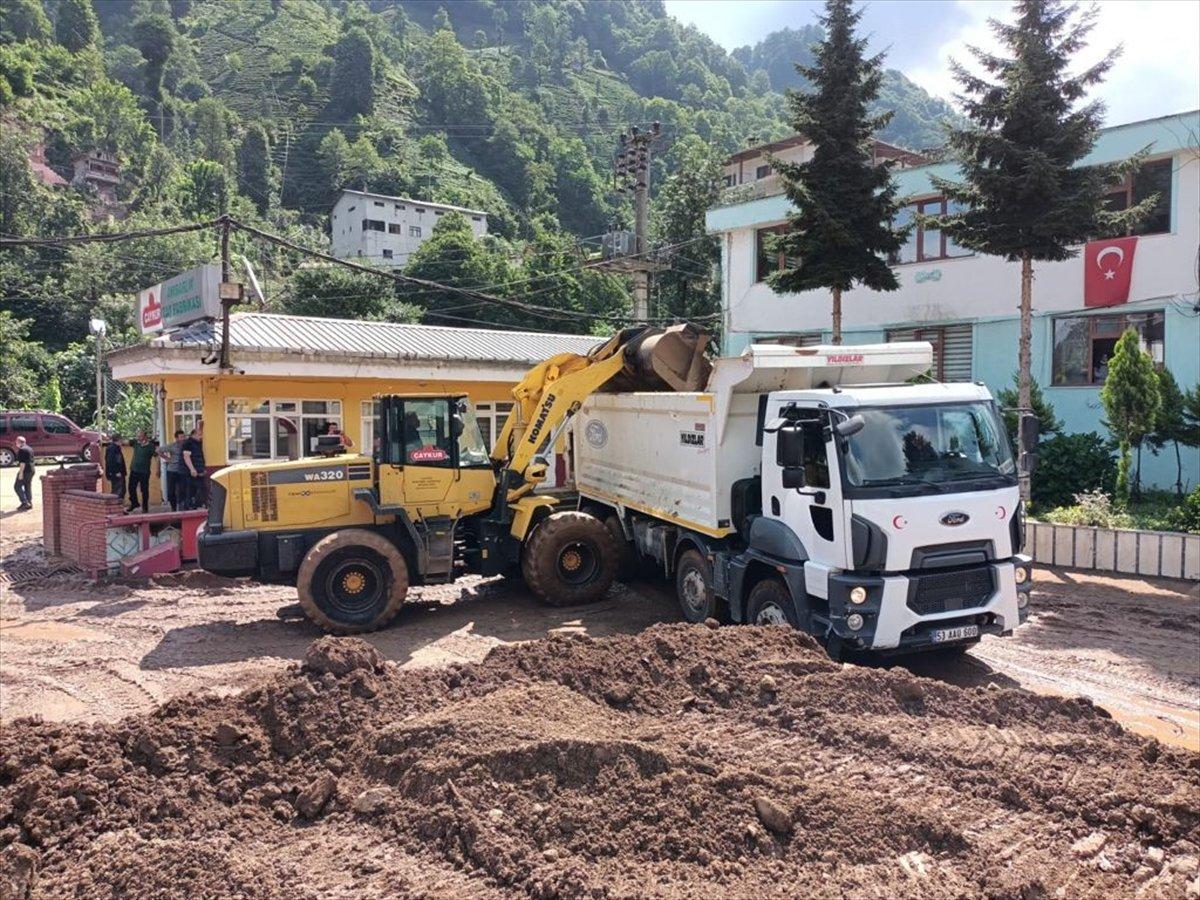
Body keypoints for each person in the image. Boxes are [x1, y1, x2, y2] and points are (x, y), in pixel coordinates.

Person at [127, 430, 156, 514]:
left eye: (140, 436)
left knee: (144, 490)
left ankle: (145, 507)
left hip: (144, 471)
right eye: (137, 436)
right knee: (131, 488)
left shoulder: (150, 446)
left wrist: (158, 469)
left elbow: (156, 457)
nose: (138, 438)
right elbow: (124, 442)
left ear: (145, 437)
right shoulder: (136, 443)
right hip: (134, 470)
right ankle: (134, 503)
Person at [159, 430, 187, 512]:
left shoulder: (186, 445)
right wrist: (167, 459)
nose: (183, 438)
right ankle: (173, 507)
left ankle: (181, 507)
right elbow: (158, 450)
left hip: (182, 470)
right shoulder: (172, 446)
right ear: (176, 438)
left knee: (182, 489)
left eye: (183, 437)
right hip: (172, 470)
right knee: (171, 491)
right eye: (181, 437)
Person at [181, 422, 206, 509]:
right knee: (190, 490)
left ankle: (195, 505)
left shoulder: (197, 443)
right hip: (190, 472)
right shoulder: (188, 443)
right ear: (194, 435)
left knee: (200, 489)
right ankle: (189, 507)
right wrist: (192, 469)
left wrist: (202, 469)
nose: (201, 437)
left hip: (198, 471)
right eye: (199, 435)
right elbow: (186, 457)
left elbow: (200, 456)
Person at [13, 436, 35, 511]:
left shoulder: (22, 450)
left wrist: (21, 473)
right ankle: (29, 502)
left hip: (25, 471)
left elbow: (22, 463)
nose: (16, 443)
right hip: (31, 470)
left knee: (17, 486)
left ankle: (25, 502)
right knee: (27, 486)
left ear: (19, 442)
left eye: (16, 442)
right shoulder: (30, 448)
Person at [104, 434, 126, 503]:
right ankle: (115, 508)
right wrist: (116, 472)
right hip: (117, 474)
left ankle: (118, 508)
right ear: (118, 440)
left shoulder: (115, 448)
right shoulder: (113, 448)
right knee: (118, 491)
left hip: (118, 473)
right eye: (121, 439)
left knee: (120, 490)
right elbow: (111, 461)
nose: (122, 441)